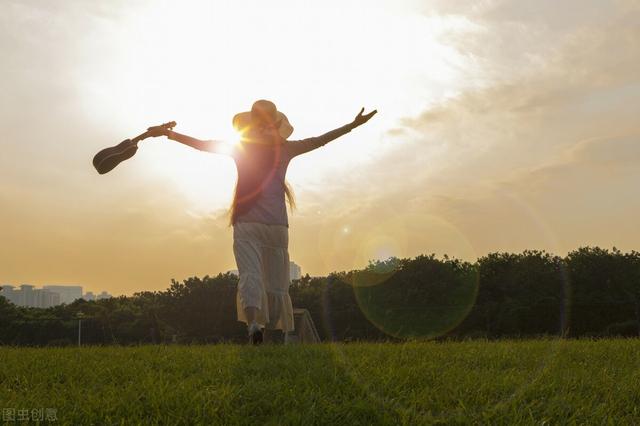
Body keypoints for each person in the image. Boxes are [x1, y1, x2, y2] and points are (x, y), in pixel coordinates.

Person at [151, 100, 377, 344]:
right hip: (276, 228)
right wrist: (352, 126)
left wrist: (168, 134)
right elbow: (320, 140)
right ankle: (264, 331)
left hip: (252, 225)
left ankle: (255, 326)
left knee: (253, 277)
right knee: (276, 284)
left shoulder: (243, 148)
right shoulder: (285, 149)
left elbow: (204, 146)